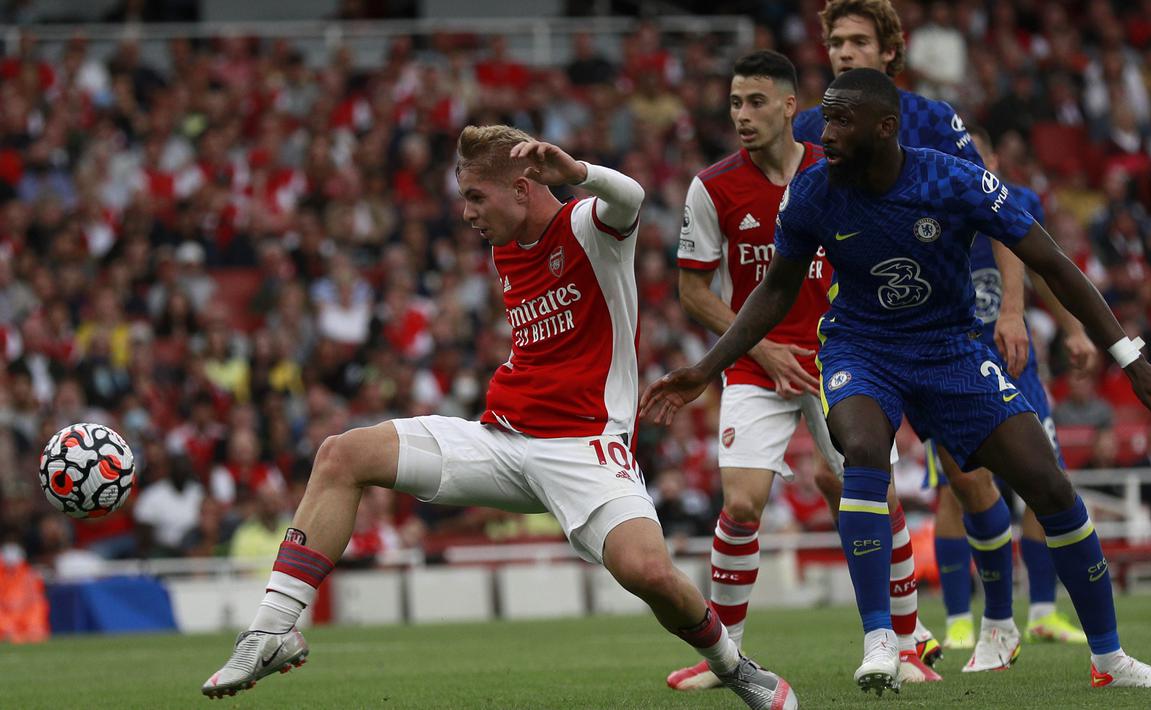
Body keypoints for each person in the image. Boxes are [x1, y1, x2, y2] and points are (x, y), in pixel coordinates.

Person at [640, 68, 1151, 694]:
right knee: (860, 452)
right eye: (823, 118)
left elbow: (1052, 261)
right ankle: (882, 639)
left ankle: (1111, 659)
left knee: (1047, 483)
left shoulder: (951, 179)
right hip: (861, 347)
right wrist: (704, 369)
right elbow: (774, 292)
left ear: (884, 128)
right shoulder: (812, 194)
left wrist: (1129, 358)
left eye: (840, 121)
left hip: (950, 352)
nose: (823, 132)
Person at [201, 125, 798, 710]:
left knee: (649, 574)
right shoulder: (504, 244)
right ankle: (271, 629)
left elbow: (632, 198)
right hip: (500, 439)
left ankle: (733, 668)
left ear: (523, 187)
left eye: (474, 197)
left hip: (585, 445)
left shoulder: (587, 226)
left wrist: (579, 173)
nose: (466, 213)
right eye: (465, 198)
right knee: (342, 452)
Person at [664, 50, 938, 692]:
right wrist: (759, 349)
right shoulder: (713, 186)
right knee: (741, 505)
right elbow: (693, 292)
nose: (742, 115)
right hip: (761, 366)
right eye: (734, 103)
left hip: (842, 354)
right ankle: (725, 658)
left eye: (756, 102)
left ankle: (908, 645)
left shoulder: (835, 173)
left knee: (870, 494)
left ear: (792, 107)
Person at [793, 0, 999, 672]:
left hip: (939, 327)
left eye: (858, 41)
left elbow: (1001, 216)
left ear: (889, 51)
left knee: (968, 482)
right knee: (851, 468)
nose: (845, 52)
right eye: (835, 41)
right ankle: (896, 638)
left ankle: (997, 623)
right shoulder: (807, 130)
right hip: (858, 333)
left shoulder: (935, 123)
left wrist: (1009, 310)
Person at [926, 126, 1095, 657]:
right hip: (955, 371)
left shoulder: (1017, 204)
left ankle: (1042, 611)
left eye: (981, 151)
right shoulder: (933, 206)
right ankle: (959, 618)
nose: (972, 159)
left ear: (995, 156)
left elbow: (1047, 273)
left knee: (1046, 481)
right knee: (957, 490)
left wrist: (1074, 329)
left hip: (1018, 369)